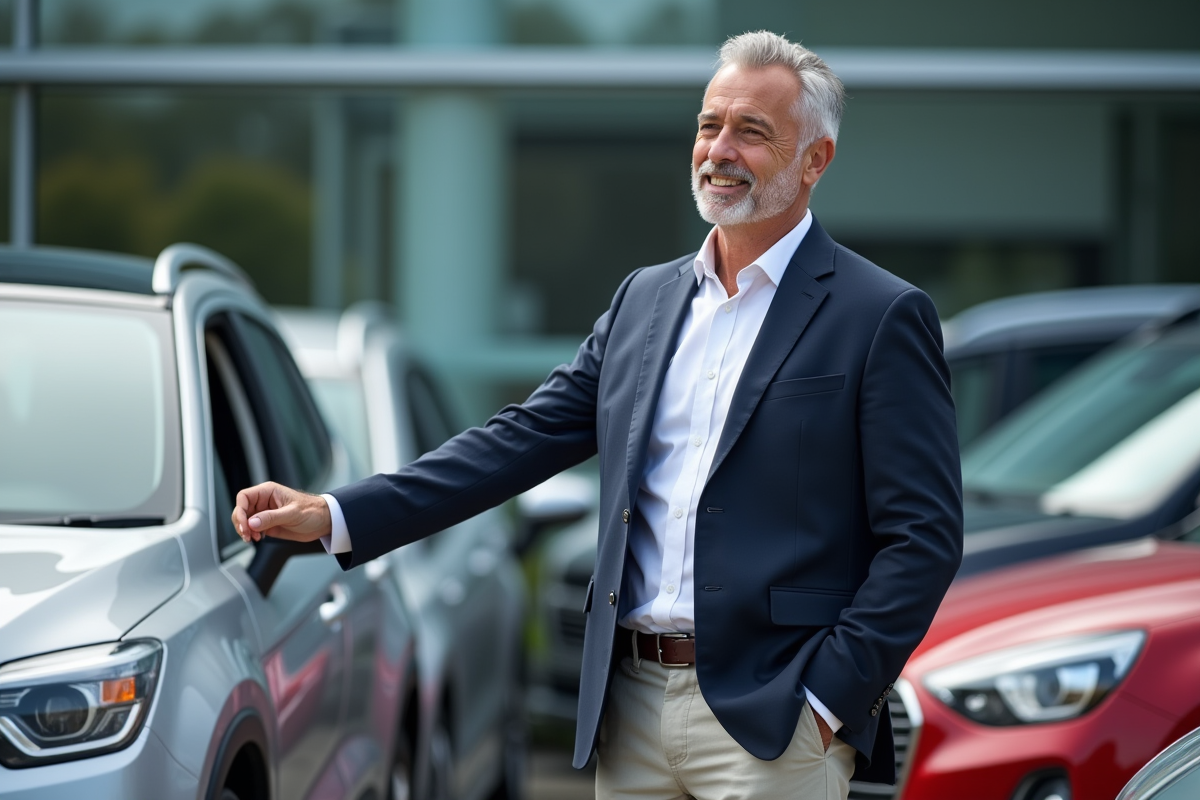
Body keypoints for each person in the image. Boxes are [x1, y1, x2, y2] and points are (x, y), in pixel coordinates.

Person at [234, 30, 963, 800]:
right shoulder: (644, 301)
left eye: (752, 131)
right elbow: (519, 440)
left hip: (775, 722)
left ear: (816, 160)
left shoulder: (879, 315)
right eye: (709, 124)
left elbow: (924, 536)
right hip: (632, 711)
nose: (719, 149)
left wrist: (825, 700)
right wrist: (338, 514)